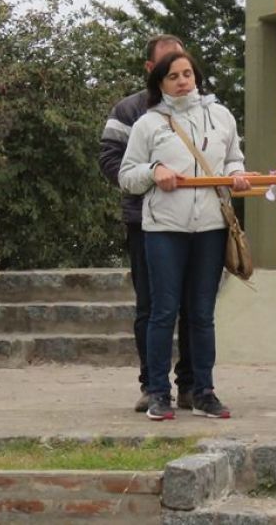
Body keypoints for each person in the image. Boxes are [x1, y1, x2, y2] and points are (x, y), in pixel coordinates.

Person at [118, 50, 253, 421]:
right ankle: (158, 393)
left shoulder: (221, 115)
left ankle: (203, 391)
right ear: (160, 82)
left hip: (210, 227)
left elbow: (233, 158)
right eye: (173, 75)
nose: (182, 81)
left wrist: (237, 175)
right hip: (164, 228)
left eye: (187, 73)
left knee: (201, 313)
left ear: (196, 76)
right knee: (163, 311)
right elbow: (127, 175)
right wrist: (153, 169)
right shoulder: (149, 123)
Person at [100, 34, 196, 413]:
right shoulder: (128, 111)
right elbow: (109, 160)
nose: (177, 73)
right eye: (167, 65)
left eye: (183, 64)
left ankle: (190, 384)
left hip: (194, 222)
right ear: (150, 71)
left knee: (193, 307)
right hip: (144, 222)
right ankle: (151, 385)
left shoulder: (206, 110)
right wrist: (151, 178)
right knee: (152, 306)